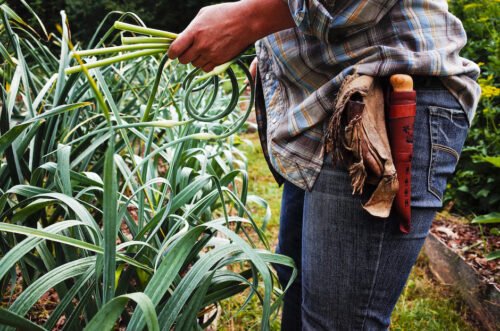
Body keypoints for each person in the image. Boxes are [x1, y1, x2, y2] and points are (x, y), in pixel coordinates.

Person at [168, 0, 481, 330]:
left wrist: (249, 18)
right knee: (294, 282)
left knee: (338, 322)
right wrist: (271, 56)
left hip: (380, 99)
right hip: (320, 101)